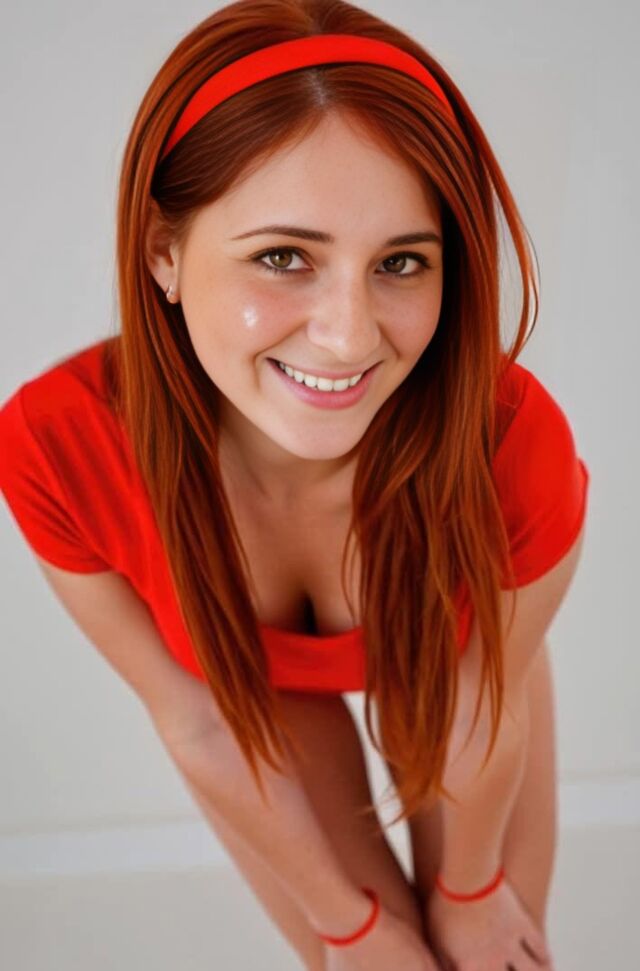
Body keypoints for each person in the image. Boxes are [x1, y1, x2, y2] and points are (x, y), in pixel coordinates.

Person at [0, 1, 590, 968]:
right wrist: (350, 927)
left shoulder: (511, 445)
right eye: (283, 257)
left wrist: (472, 891)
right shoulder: (58, 451)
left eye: (401, 261)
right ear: (163, 252)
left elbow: (483, 702)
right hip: (250, 708)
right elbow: (196, 720)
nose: (349, 336)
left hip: (462, 677)